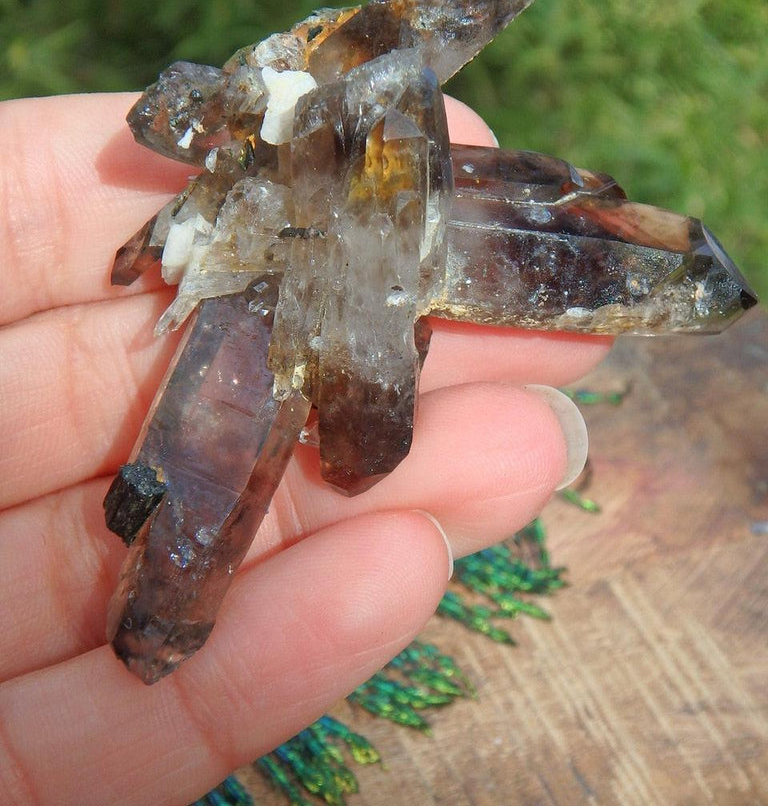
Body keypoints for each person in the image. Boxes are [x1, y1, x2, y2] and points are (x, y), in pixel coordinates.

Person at [0, 92, 610, 806]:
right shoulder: (299, 179)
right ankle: (154, 623)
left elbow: (361, 452)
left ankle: (154, 625)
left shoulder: (379, 184)